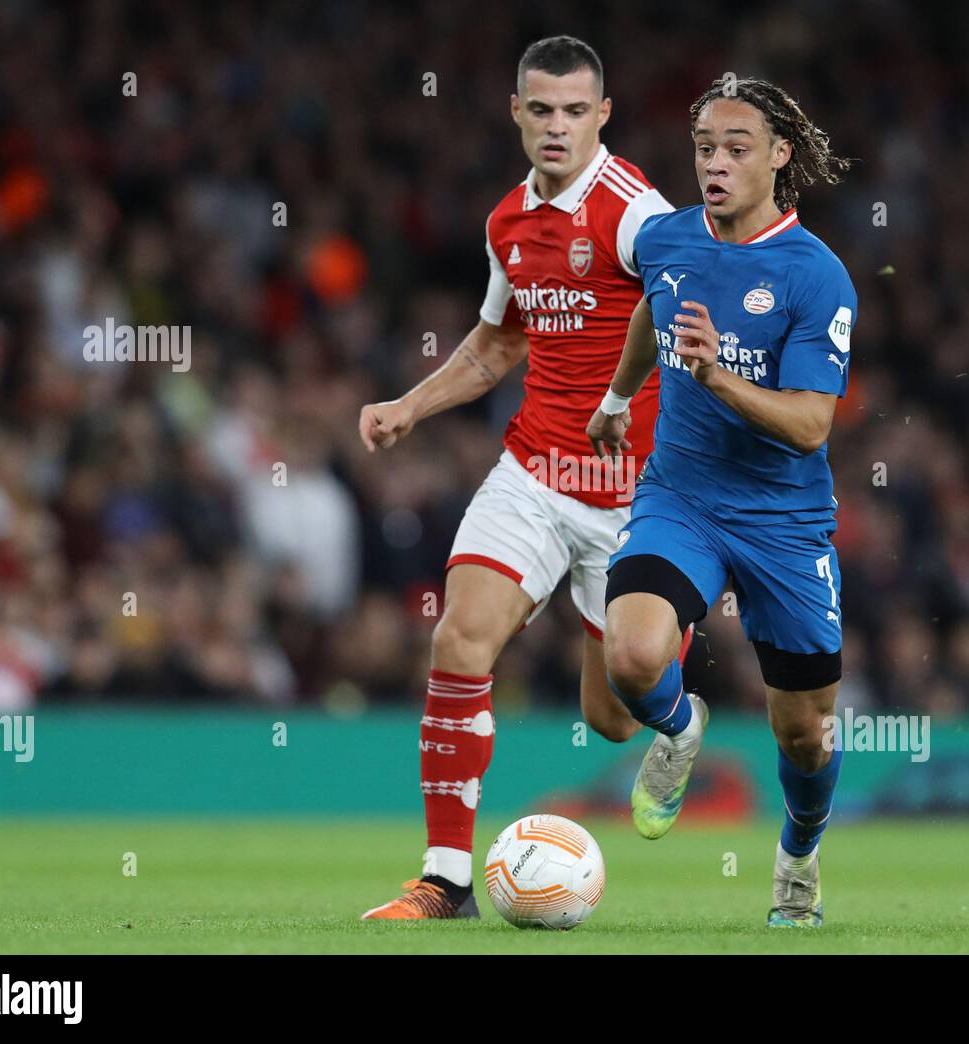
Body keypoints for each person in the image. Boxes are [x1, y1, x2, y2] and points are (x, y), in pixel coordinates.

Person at [358, 36, 675, 920]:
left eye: (576, 111)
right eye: (541, 109)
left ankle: (678, 719)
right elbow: (498, 341)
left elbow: (689, 308)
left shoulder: (635, 213)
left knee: (615, 715)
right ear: (517, 112)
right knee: (460, 641)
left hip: (635, 497)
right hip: (535, 471)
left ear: (603, 115)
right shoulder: (508, 221)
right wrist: (411, 406)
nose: (557, 127)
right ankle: (446, 879)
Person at [586, 76, 856, 927]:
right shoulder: (666, 239)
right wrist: (619, 397)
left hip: (784, 523)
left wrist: (715, 377)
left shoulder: (818, 277)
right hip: (683, 499)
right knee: (629, 656)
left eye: (738, 147)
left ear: (779, 157)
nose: (717, 162)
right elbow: (649, 311)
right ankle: (678, 727)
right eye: (706, 146)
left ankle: (799, 859)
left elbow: (811, 426)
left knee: (804, 736)